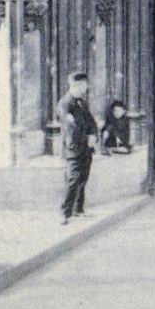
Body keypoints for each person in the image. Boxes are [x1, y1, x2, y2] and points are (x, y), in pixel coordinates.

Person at [56, 69, 98, 223]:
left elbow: (91, 121)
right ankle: (64, 213)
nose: (86, 87)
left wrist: (94, 135)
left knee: (83, 178)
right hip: (73, 148)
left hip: (86, 147)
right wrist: (87, 138)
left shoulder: (82, 102)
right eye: (85, 85)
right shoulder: (65, 104)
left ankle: (78, 209)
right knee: (73, 179)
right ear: (77, 85)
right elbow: (70, 129)